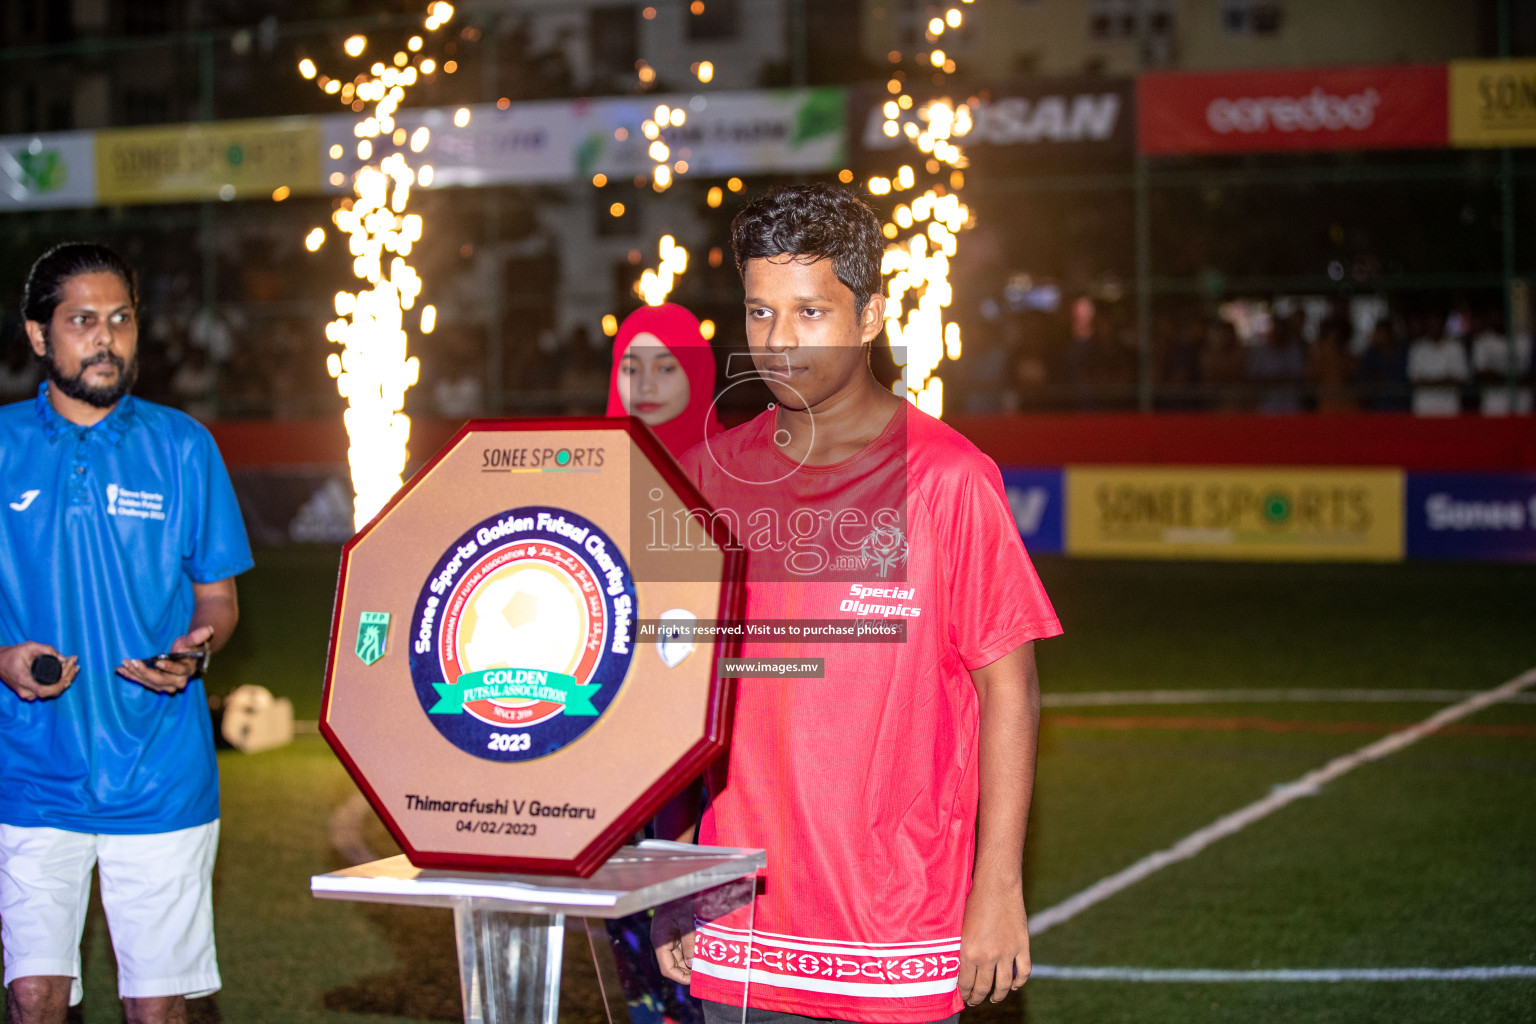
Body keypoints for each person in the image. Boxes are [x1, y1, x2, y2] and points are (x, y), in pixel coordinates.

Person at [654, 185, 1061, 1024]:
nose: (779, 341)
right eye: (760, 313)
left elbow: (1009, 689)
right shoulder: (703, 478)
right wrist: (670, 874)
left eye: (810, 312)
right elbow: (670, 689)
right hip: (736, 924)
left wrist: (999, 885)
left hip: (894, 927)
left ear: (870, 316)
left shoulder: (949, 478)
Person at [0, 243, 253, 1024]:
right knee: (34, 998)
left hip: (160, 776)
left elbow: (219, 600)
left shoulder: (183, 447)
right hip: (29, 773)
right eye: (82, 321)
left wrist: (194, 650)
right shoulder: (3, 444)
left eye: (120, 320)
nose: (106, 339)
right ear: (40, 336)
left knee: (156, 1010)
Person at [603, 302, 722, 1024]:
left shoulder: (736, 470)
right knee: (631, 934)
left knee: (698, 926)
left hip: (704, 746)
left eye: (667, 365)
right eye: (630, 364)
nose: (646, 382)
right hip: (612, 737)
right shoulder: (596, 468)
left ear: (699, 372)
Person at [607, 302, 723, 453]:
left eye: (665, 368)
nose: (646, 387)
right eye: (631, 369)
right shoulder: (590, 463)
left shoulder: (733, 466)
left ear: (698, 375)